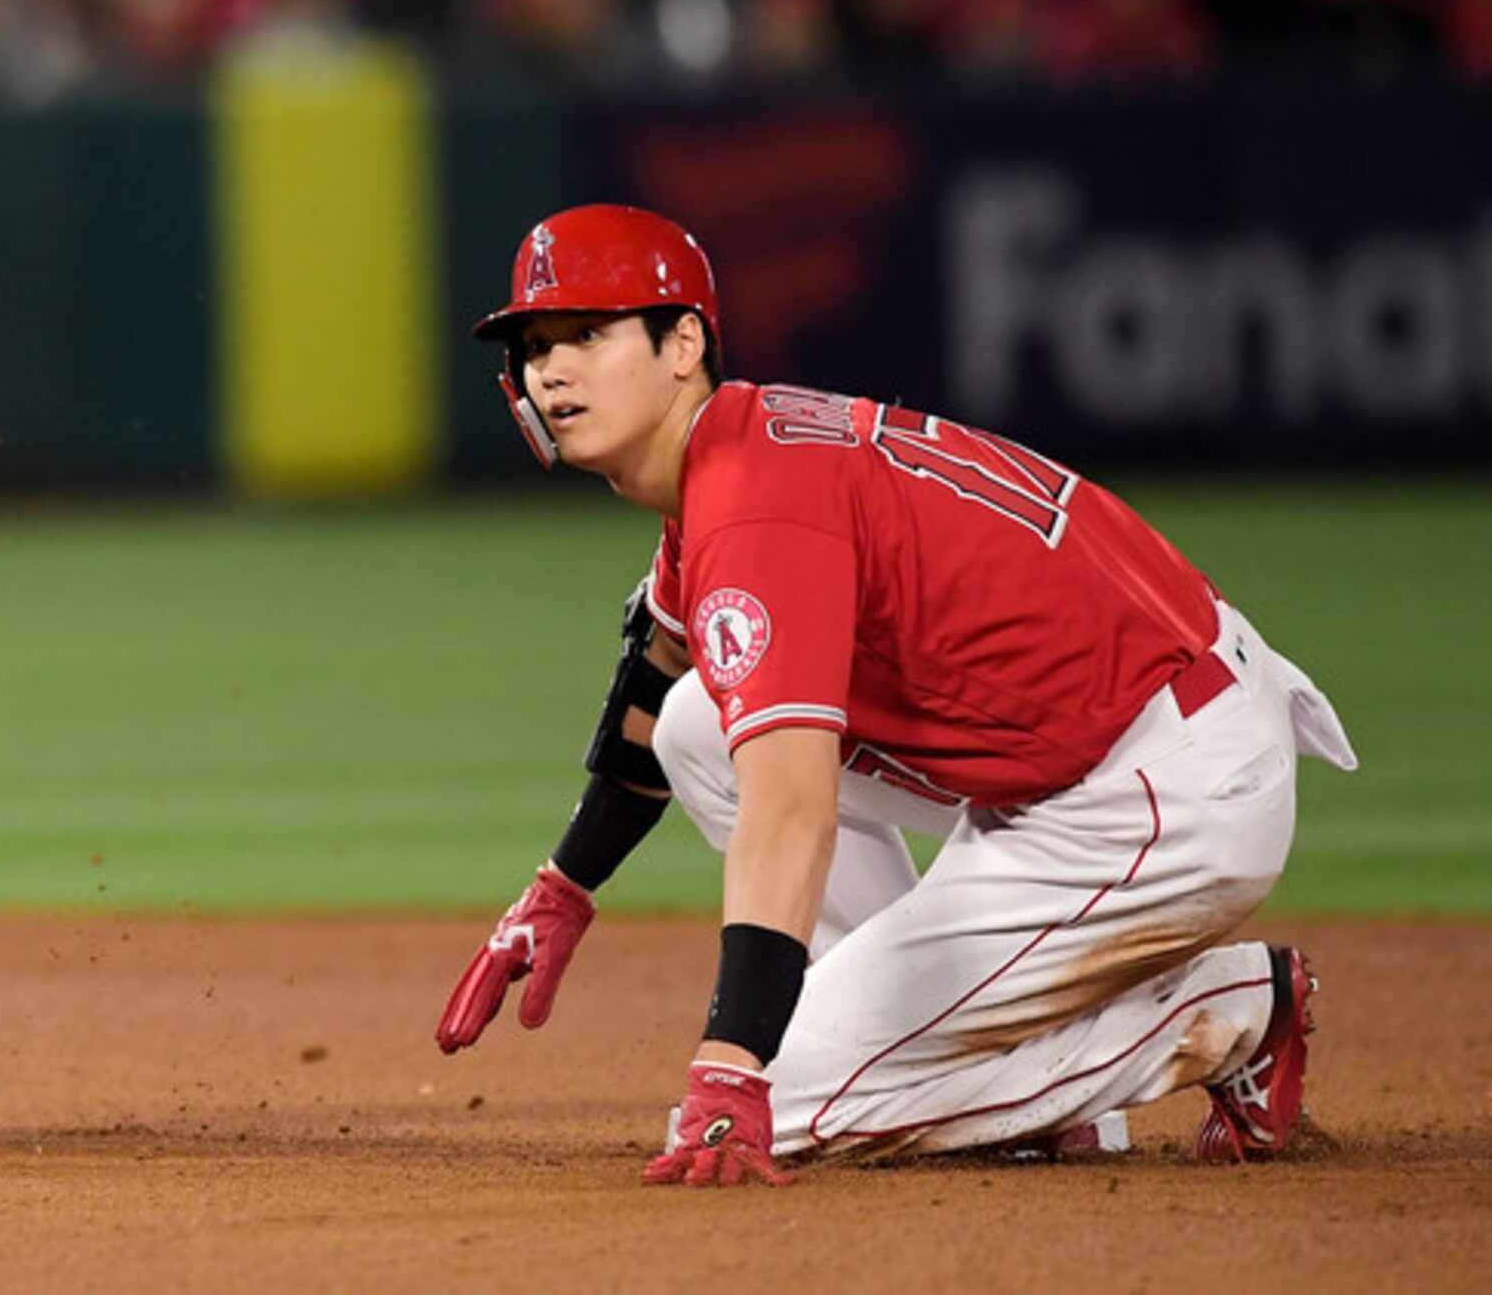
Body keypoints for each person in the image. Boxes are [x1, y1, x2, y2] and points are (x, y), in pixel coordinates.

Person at [435, 202, 1358, 1183]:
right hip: (1126, 727)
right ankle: (992, 1073)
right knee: (705, 719)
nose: (552, 369)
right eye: (534, 345)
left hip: (1161, 789)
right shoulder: (738, 450)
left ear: (684, 342)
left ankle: (1226, 1013)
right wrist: (565, 885)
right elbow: (657, 687)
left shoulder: (753, 511)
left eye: (588, 331)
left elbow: (790, 812)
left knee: (790, 1106)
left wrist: (734, 1067)